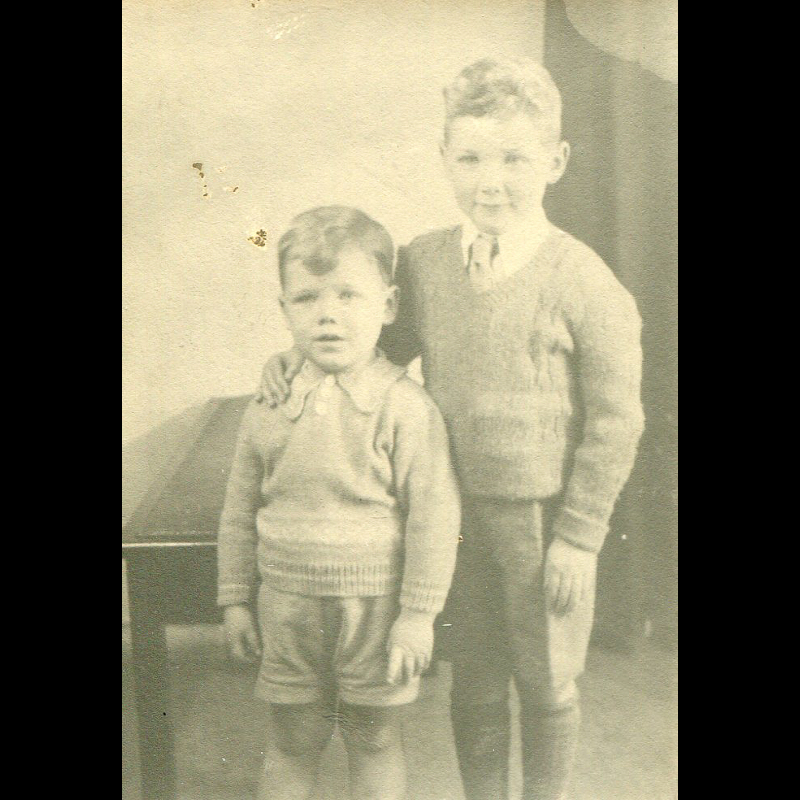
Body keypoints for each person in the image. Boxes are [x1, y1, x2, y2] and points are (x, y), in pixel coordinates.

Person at [258, 58, 644, 800]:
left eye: (514, 159)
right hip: (450, 518)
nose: (489, 181)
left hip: (542, 524)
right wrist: (294, 360)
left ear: (556, 161)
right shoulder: (426, 263)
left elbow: (617, 420)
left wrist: (580, 535)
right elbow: (372, 348)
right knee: (476, 679)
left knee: (547, 682)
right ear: (443, 157)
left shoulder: (584, 280)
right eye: (470, 159)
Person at [218, 206, 460, 800]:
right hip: (286, 604)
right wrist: (235, 600)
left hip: (376, 607)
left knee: (374, 739)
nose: (327, 314)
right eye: (306, 298)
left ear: (389, 305)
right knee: (292, 741)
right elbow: (239, 511)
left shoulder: (406, 407)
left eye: (349, 295)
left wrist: (418, 615)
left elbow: (434, 518)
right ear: (284, 310)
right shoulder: (269, 404)